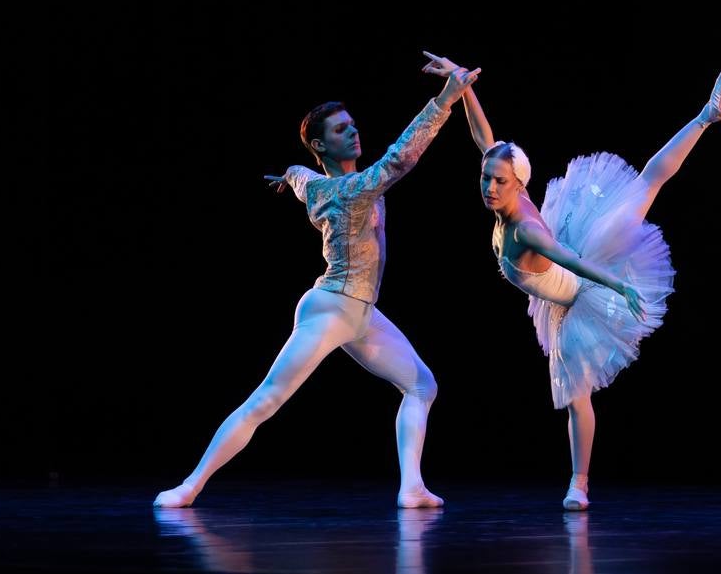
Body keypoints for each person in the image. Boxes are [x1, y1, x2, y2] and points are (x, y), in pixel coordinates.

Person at [154, 59, 481, 509]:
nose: (353, 132)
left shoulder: (318, 183)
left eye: (352, 125)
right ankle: (189, 486)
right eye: (340, 130)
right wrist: (446, 99)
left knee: (422, 384)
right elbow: (401, 156)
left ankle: (411, 488)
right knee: (267, 399)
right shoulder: (351, 189)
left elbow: (299, 174)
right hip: (331, 308)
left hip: (362, 313)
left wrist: (286, 178)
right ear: (320, 144)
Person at [422, 51, 721, 510]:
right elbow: (484, 139)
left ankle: (580, 482)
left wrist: (619, 285)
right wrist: (463, 86)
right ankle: (579, 481)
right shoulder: (511, 191)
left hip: (585, 280)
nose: (490, 187)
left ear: (517, 184)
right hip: (563, 280)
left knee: (576, 393)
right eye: (486, 179)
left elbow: (572, 261)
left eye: (498, 182)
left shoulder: (527, 229)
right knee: (575, 393)